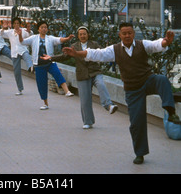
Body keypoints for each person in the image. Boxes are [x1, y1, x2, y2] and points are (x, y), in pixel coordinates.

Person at [63, 22, 180, 165]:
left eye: (129, 33)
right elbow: (96, 54)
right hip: (132, 89)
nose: (127, 36)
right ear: (120, 35)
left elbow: (156, 45)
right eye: (124, 33)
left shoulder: (142, 44)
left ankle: (170, 111)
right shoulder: (115, 49)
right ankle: (140, 153)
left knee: (161, 80)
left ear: (133, 34)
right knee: (136, 124)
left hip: (147, 80)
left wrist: (165, 41)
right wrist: (76, 53)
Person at [48, 26, 118, 129]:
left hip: (95, 72)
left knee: (101, 84)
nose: (82, 36)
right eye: (80, 34)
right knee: (85, 100)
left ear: (88, 34)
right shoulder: (74, 46)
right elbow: (64, 56)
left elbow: (104, 53)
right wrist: (51, 58)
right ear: (78, 36)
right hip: (82, 75)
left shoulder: (94, 44)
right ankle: (88, 121)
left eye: (84, 34)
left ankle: (108, 105)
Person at [19, 20, 74, 110]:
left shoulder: (50, 38)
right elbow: (22, 42)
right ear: (39, 29)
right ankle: (45, 103)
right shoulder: (33, 38)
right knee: (42, 84)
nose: (44, 29)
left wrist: (67, 39)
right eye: (42, 27)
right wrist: (20, 34)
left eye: (45, 27)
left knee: (57, 73)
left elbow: (59, 40)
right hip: (39, 64)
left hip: (49, 62)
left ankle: (67, 91)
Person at [1, 17, 33, 95]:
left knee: (27, 57)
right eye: (15, 23)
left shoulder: (23, 31)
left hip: (23, 50)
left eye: (17, 23)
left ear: (20, 24)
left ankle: (31, 67)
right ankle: (20, 89)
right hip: (14, 53)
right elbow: (1, 34)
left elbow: (30, 35)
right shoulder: (10, 32)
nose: (16, 25)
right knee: (17, 72)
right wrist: (3, 28)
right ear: (13, 24)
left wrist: (29, 31)